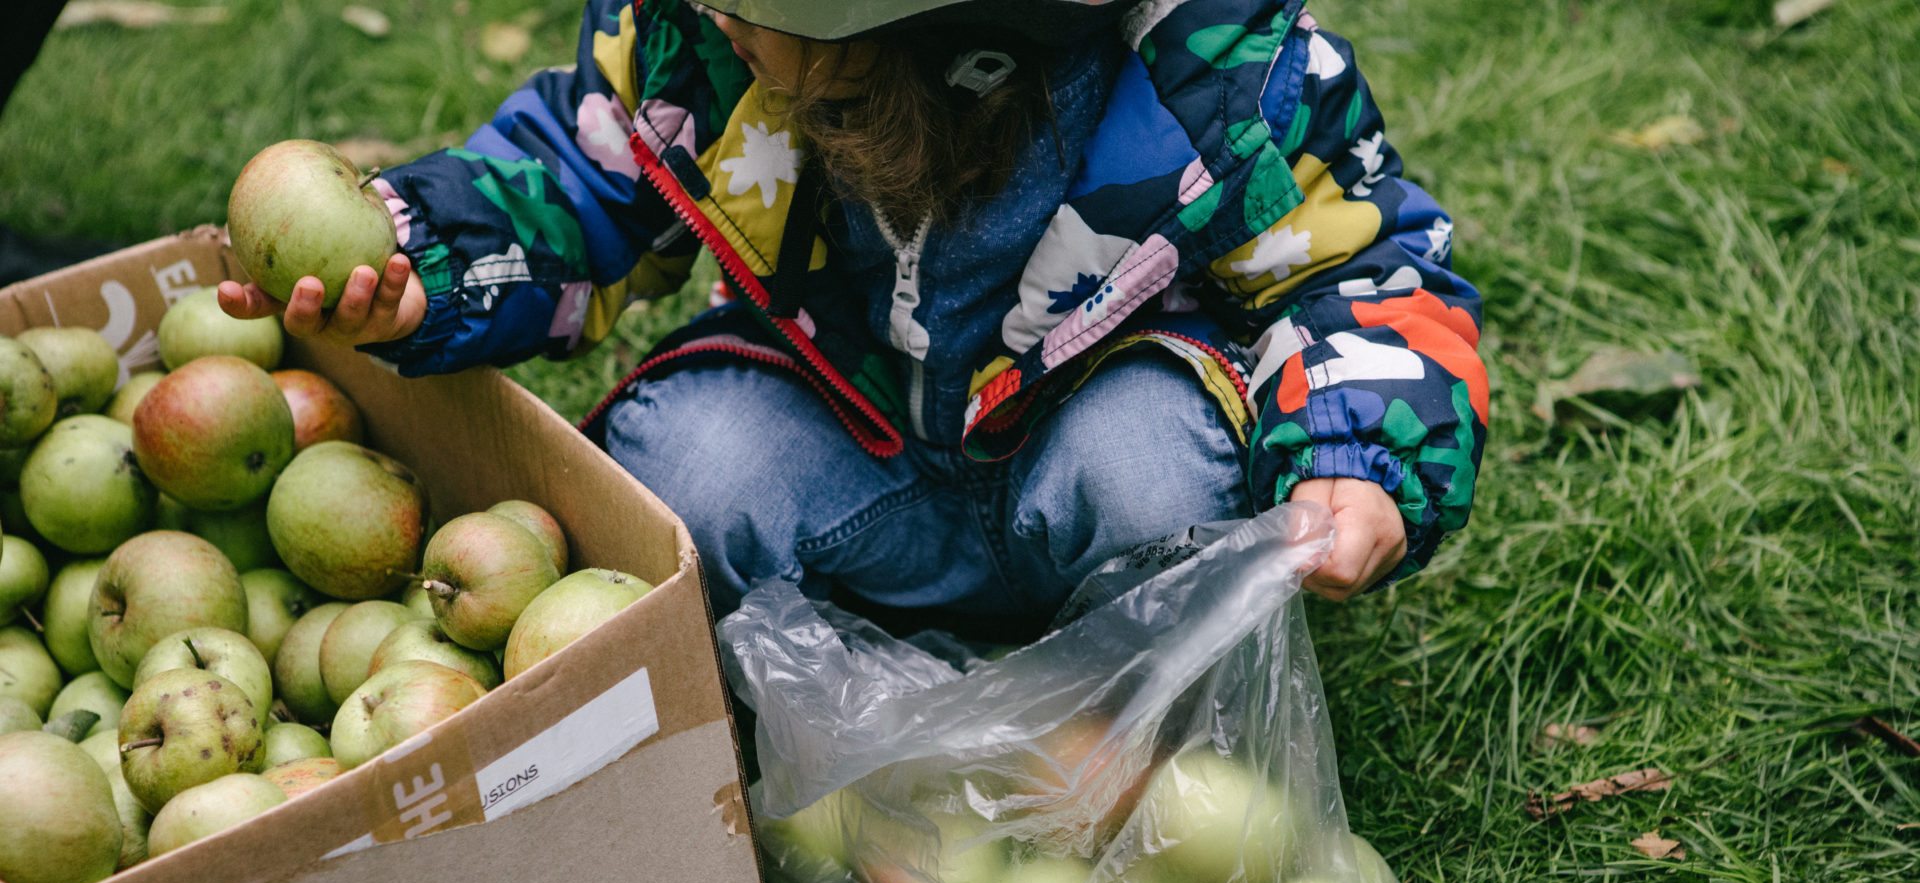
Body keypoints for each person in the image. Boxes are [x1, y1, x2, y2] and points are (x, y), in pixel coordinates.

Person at [220, 0, 1487, 622]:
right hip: (865, 454)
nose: (713, 12)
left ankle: (1121, 679)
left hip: (1089, 474)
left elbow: (1364, 272)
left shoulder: (1215, 79)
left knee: (1155, 470)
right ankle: (841, 680)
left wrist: (1358, 461)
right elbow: (576, 176)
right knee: (681, 465)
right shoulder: (705, 43)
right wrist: (427, 259)